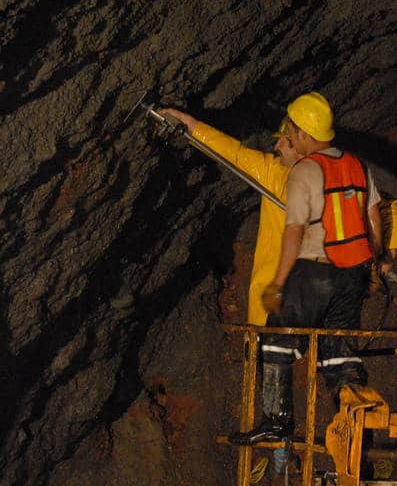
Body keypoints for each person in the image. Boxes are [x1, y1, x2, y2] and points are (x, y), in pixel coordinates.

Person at [230, 92, 385, 445]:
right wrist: (374, 264)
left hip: (316, 271)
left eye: (291, 131)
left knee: (277, 342)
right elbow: (374, 215)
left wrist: (279, 282)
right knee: (339, 355)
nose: (288, 136)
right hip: (353, 276)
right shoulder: (357, 165)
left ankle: (276, 422)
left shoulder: (305, 169)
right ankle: (357, 433)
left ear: (303, 133)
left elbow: (295, 231)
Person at [158, 108, 306, 445]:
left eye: (284, 141)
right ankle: (277, 427)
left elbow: (375, 205)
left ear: (302, 144)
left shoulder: (324, 179)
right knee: (271, 352)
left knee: (300, 352)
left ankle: (286, 425)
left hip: (305, 293)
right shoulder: (273, 171)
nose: (276, 146)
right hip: (278, 295)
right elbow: (233, 152)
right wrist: (191, 125)